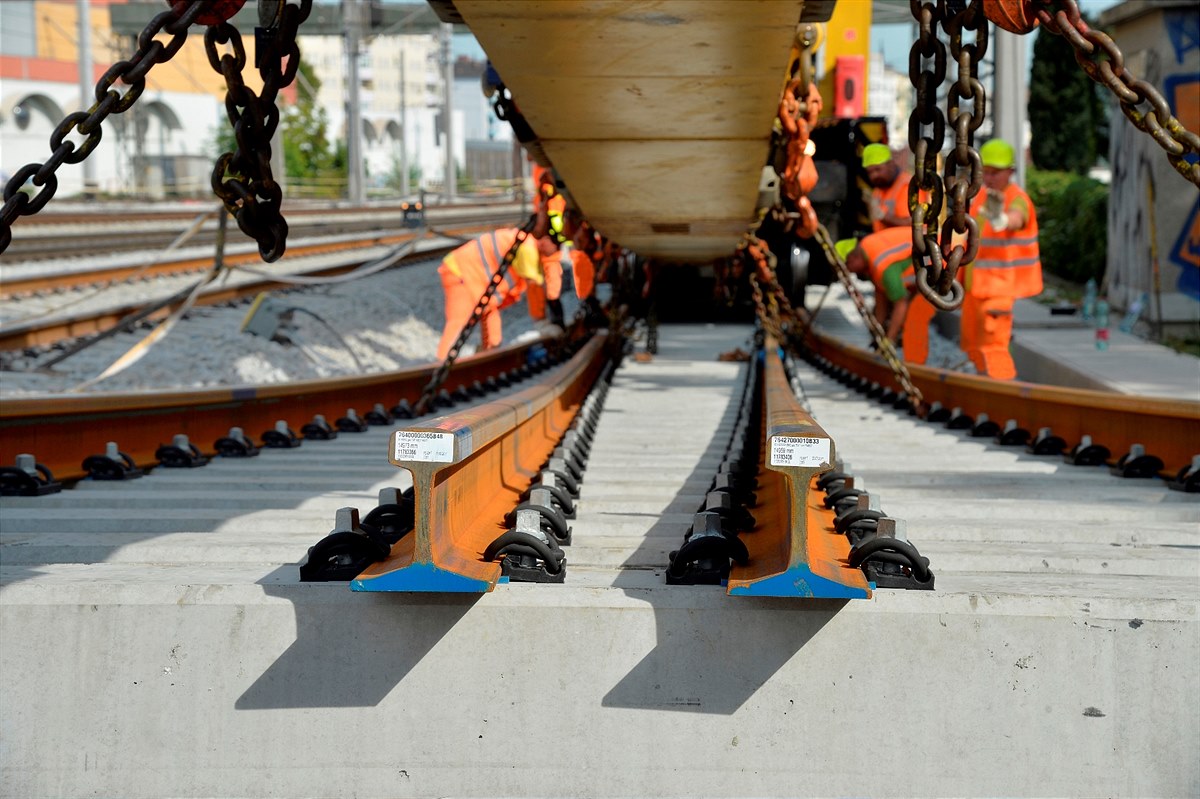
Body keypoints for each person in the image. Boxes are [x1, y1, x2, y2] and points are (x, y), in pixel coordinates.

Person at [961, 138, 1042, 380]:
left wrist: (1004, 220)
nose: (989, 178)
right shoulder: (982, 198)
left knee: (995, 346)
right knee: (973, 347)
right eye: (985, 172)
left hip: (999, 289)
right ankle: (982, 393)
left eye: (995, 173)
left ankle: (1002, 392)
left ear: (1010, 171)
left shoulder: (1017, 198)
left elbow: (1017, 218)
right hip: (975, 289)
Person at [436, 228, 546, 359]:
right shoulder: (528, 249)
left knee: (490, 315)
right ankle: (441, 363)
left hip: (475, 277)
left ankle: (489, 354)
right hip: (460, 271)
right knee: (458, 321)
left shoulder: (527, 243)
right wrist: (542, 321)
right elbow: (534, 286)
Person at [838, 227, 936, 364]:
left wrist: (889, 340)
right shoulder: (868, 248)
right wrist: (878, 334)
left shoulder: (882, 266)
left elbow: (901, 302)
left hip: (940, 254)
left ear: (853, 258)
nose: (849, 272)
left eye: (847, 267)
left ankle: (901, 345)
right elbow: (881, 297)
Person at [862, 143, 914, 233]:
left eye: (878, 169)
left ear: (891, 164)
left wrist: (881, 216)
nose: (874, 175)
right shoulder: (879, 189)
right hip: (884, 241)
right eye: (870, 172)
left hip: (905, 242)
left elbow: (910, 224)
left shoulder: (908, 185)